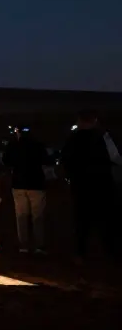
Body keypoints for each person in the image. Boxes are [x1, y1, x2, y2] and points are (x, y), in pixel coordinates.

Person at [60, 110, 121, 258]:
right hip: (102, 184)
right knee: (106, 221)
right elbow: (116, 158)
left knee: (81, 222)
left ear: (80, 121)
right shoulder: (103, 137)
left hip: (80, 185)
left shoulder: (72, 139)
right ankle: (110, 253)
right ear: (95, 121)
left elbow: (65, 162)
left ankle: (81, 254)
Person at [3, 127, 50, 254]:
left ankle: (23, 244)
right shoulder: (38, 145)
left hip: (18, 183)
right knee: (38, 216)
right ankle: (39, 244)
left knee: (21, 216)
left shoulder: (13, 145)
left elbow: (5, 162)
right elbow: (46, 161)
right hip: (37, 183)